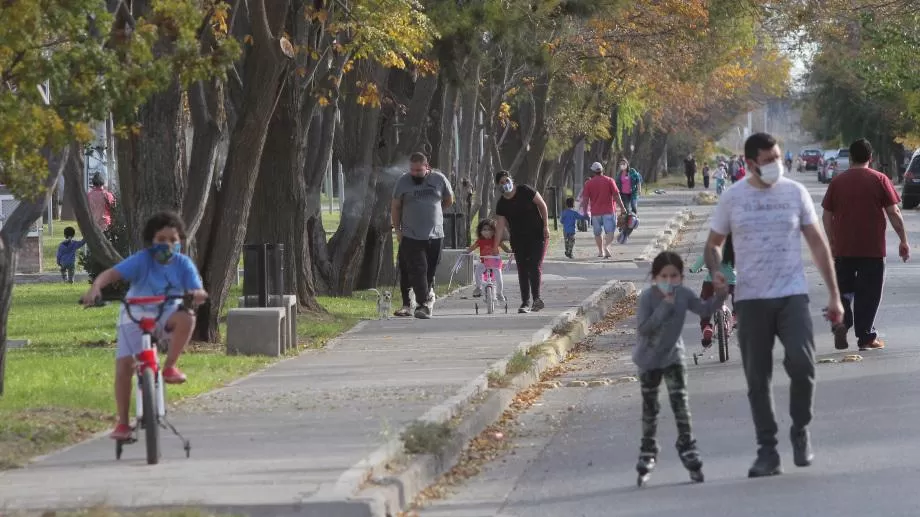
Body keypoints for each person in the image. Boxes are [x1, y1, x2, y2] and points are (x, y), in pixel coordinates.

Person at [704, 132, 843, 478]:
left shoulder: (795, 193)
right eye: (768, 161)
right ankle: (767, 449)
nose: (775, 165)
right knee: (757, 378)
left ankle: (800, 430)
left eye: (778, 157)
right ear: (750, 163)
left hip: (792, 295)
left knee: (803, 363)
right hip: (751, 299)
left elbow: (818, 244)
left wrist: (834, 295)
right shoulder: (733, 198)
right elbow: (713, 244)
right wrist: (717, 270)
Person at [80, 211, 208, 440]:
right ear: (151, 242)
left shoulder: (183, 264)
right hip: (134, 314)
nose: (167, 245)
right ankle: (122, 423)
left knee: (187, 317)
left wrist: (197, 293)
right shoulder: (142, 259)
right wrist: (95, 288)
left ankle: (170, 366)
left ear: (180, 242)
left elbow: (196, 288)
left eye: (173, 240)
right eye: (161, 240)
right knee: (124, 368)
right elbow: (111, 274)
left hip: (167, 312)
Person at [633, 251, 724, 484]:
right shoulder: (647, 298)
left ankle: (687, 443)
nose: (669, 281)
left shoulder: (683, 295)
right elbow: (644, 328)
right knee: (650, 406)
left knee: (680, 403)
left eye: (674, 276)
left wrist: (720, 296)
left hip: (674, 356)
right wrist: (664, 307)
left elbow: (703, 310)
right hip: (649, 359)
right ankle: (648, 447)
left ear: (681, 278)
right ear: (655, 277)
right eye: (664, 276)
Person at [821, 138, 910, 351]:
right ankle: (866, 337)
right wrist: (903, 240)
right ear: (871, 157)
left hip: (844, 248)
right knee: (868, 294)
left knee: (843, 290)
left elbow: (826, 215)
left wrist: (832, 241)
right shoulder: (879, 179)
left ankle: (842, 323)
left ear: (850, 157)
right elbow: (894, 212)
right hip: (872, 250)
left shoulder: (837, 182)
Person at [391, 152, 454, 319]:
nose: (415, 173)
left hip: (435, 235)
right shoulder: (403, 181)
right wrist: (397, 229)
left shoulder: (439, 179)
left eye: (419, 170)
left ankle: (424, 300)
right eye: (412, 169)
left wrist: (436, 212)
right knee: (419, 269)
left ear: (427, 167)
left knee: (429, 271)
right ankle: (423, 305)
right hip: (411, 235)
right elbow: (396, 207)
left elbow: (448, 199)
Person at [493, 170, 550, 314]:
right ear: (498, 186)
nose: (505, 184)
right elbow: (500, 226)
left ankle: (537, 299)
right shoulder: (501, 204)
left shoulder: (525, 190)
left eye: (507, 180)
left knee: (534, 265)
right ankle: (525, 302)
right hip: (518, 239)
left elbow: (542, 205)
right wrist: (495, 246)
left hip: (537, 235)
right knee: (522, 269)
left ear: (512, 180)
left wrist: (546, 226)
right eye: (501, 183)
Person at [689, 233, 736, 347]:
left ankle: (706, 327)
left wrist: (694, 269)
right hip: (730, 282)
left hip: (711, 282)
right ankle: (736, 315)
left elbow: (701, 260)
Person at [580, 161, 622, 258]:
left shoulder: (589, 183)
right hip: (609, 211)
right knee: (610, 231)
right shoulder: (610, 180)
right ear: (602, 170)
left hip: (595, 213)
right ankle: (606, 246)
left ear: (593, 172)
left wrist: (585, 212)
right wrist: (622, 208)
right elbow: (616, 195)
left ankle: (600, 251)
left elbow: (585, 199)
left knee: (597, 233)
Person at [466, 218, 511, 300]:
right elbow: (472, 248)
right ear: (480, 231)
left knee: (498, 276)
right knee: (477, 272)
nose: (487, 231)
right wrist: (467, 252)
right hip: (484, 261)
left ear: (494, 231)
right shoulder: (480, 241)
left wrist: (509, 251)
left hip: (495, 262)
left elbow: (505, 248)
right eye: (484, 229)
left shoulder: (496, 240)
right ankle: (478, 287)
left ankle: (499, 293)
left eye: (489, 229)